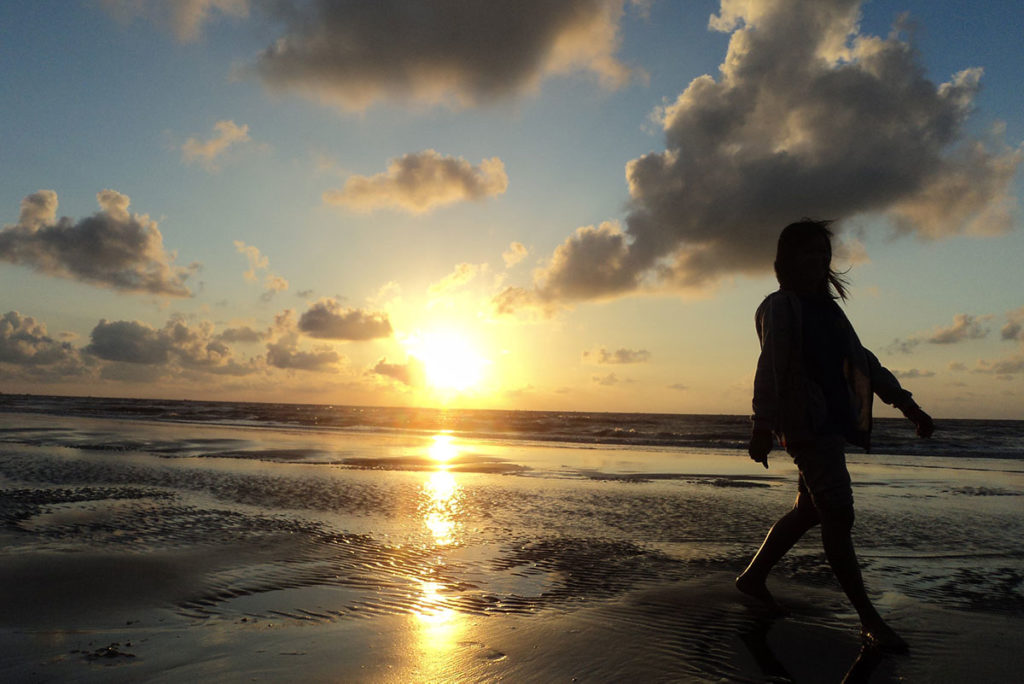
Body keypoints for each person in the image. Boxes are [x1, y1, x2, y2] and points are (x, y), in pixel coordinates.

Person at [737, 219, 934, 653]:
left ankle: (752, 579)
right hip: (806, 427)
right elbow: (769, 365)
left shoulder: (829, 311)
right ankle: (869, 619)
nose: (818, 261)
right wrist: (761, 426)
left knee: (810, 509)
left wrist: (908, 406)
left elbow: (866, 363)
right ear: (786, 260)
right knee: (839, 517)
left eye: (823, 254)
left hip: (828, 424)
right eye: (808, 253)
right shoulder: (781, 306)